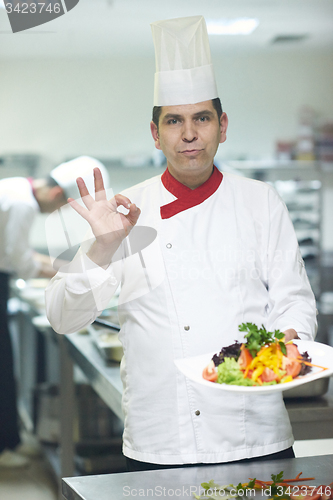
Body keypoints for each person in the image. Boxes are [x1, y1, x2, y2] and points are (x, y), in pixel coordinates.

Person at [45, 16, 317, 471]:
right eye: (174, 121)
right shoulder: (125, 211)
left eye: (201, 118)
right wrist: (103, 248)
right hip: (160, 441)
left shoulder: (260, 202)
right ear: (155, 133)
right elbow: (61, 317)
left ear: (222, 125)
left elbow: (295, 302)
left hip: (255, 434)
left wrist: (284, 342)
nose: (189, 134)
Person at [0, 156, 109, 468]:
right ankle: (5, 447)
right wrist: (71, 273)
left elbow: (21, 257)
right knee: (2, 366)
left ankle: (9, 440)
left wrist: (68, 268)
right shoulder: (22, 204)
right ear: (57, 194)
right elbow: (23, 263)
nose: (56, 212)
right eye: (62, 207)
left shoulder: (17, 189)